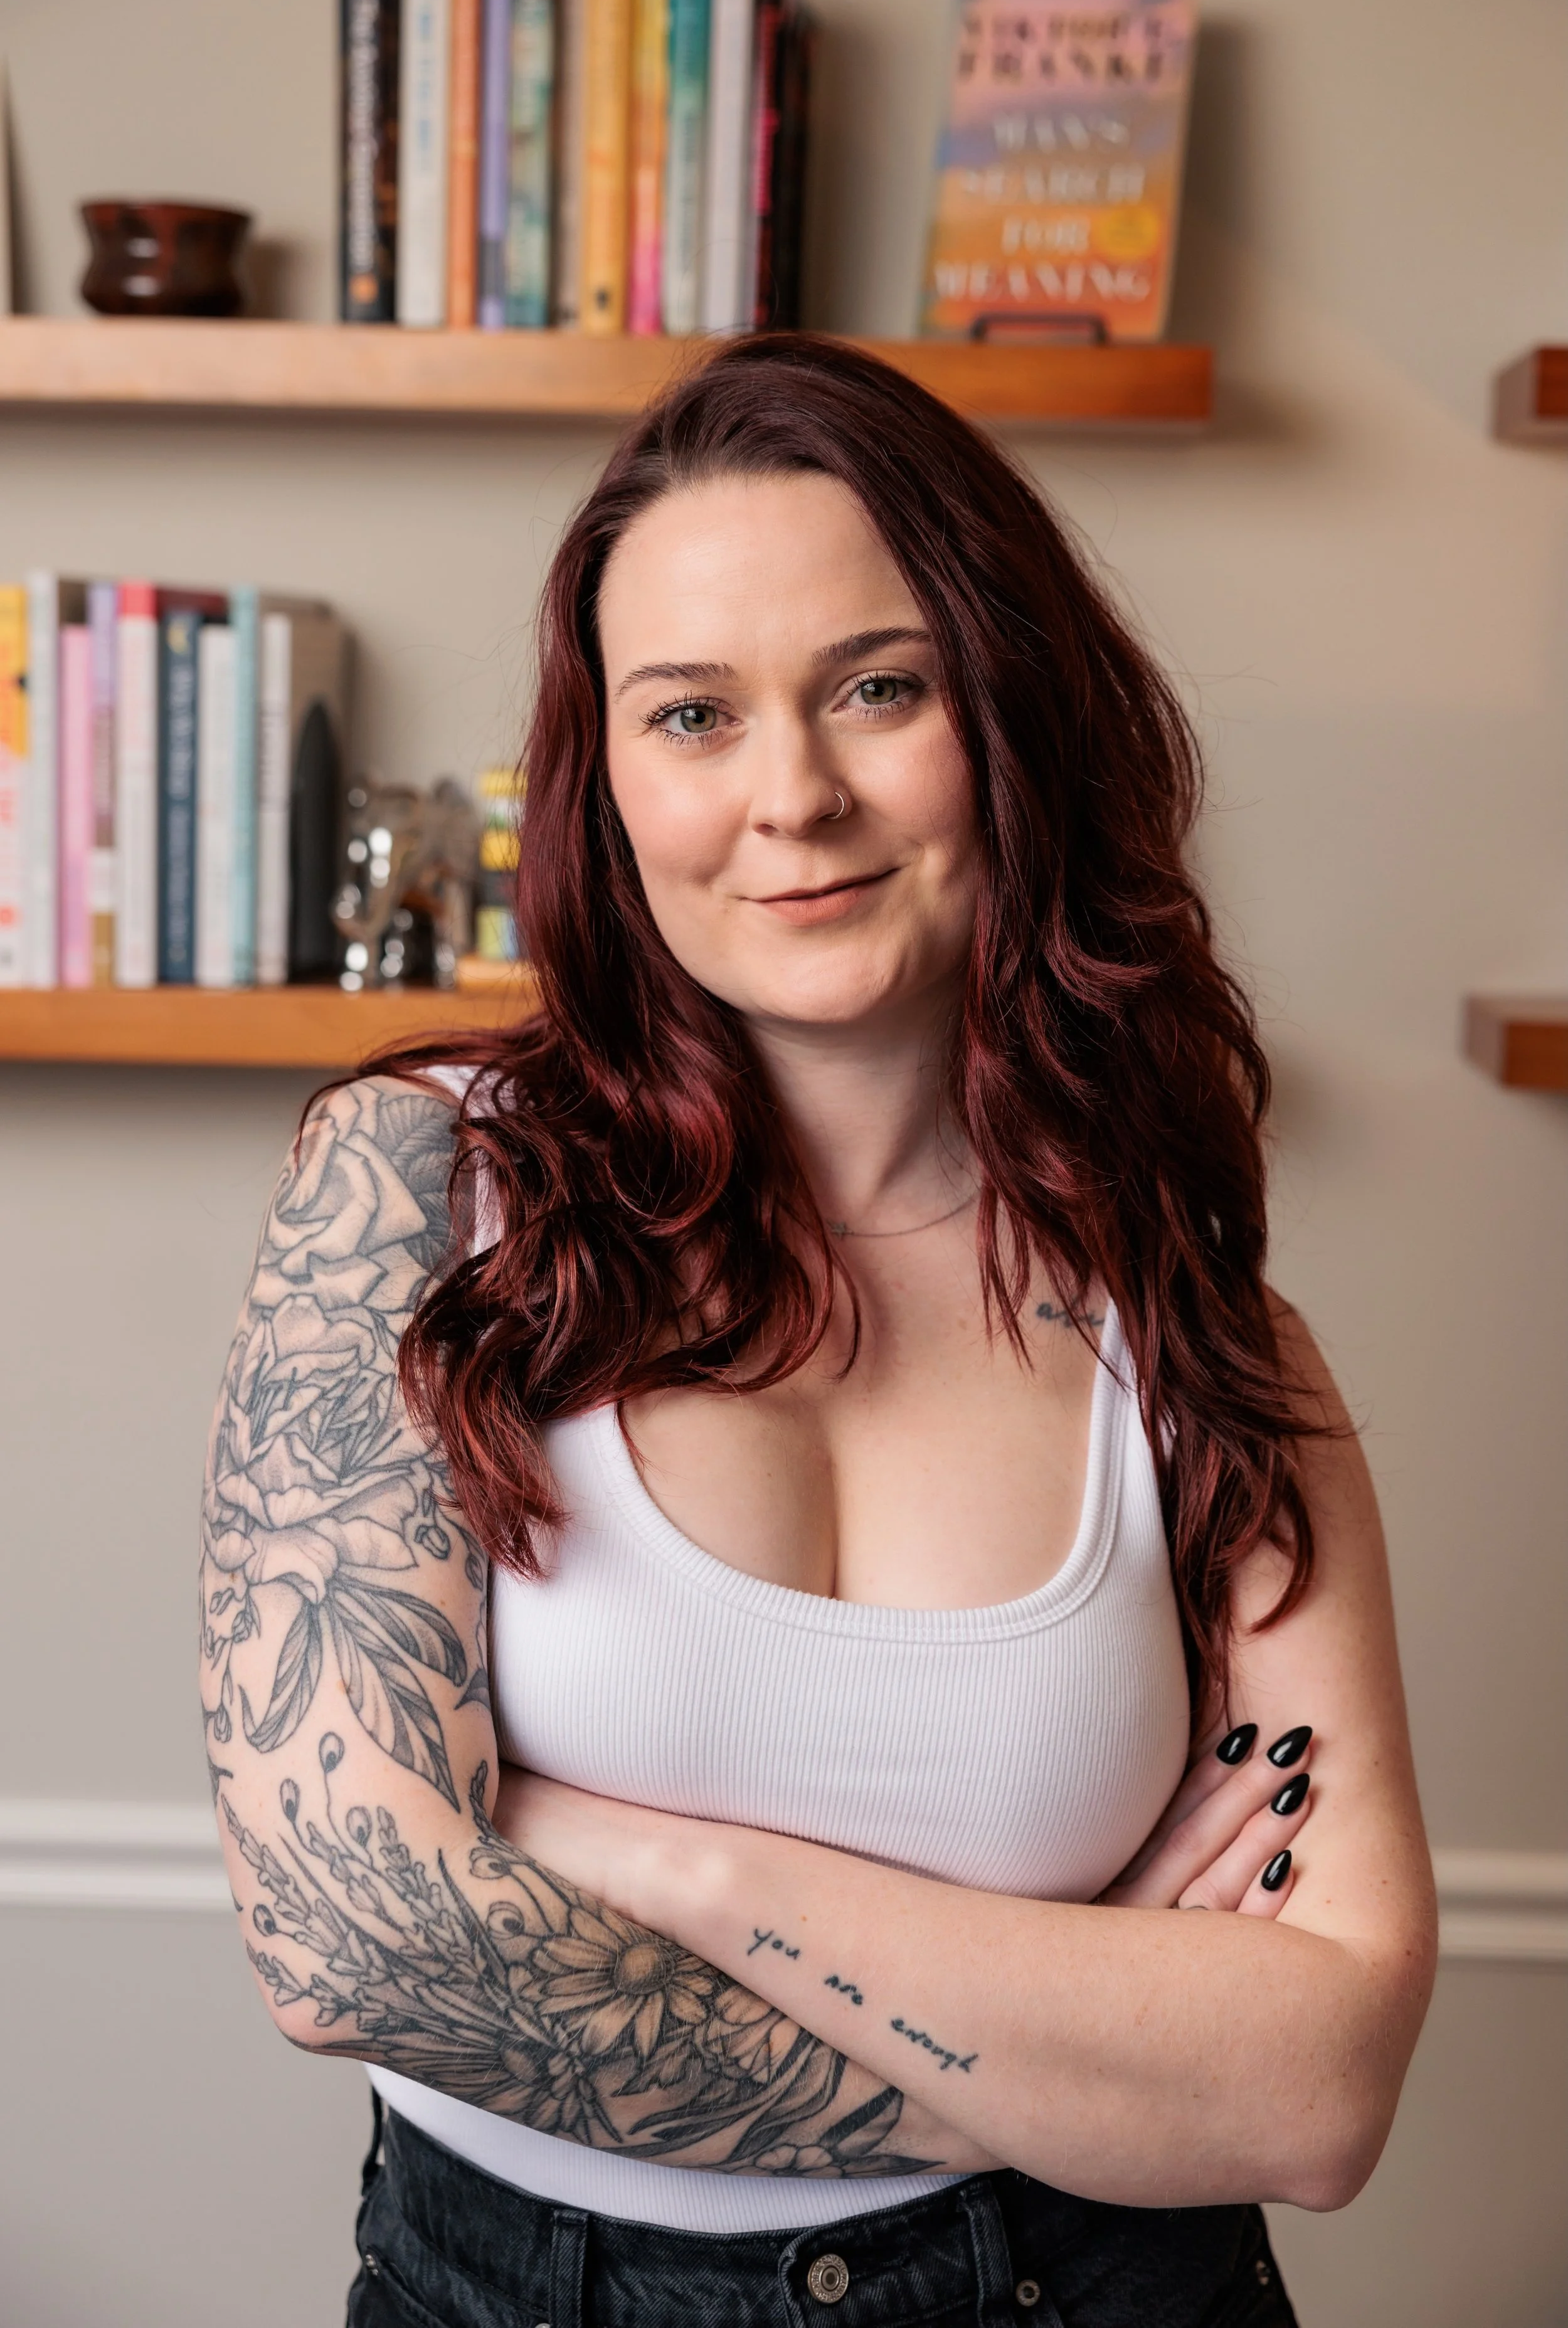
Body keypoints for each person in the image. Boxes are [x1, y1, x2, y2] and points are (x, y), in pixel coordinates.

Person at [201, 334, 1436, 2328]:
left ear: (1005, 715)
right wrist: (1092, 2045)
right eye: (692, 714)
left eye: (879, 685)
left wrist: (687, 1871)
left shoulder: (1202, 1336)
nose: (793, 796)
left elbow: (1317, 2088)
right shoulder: (417, 1197)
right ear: (603, 779)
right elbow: (358, 1944)